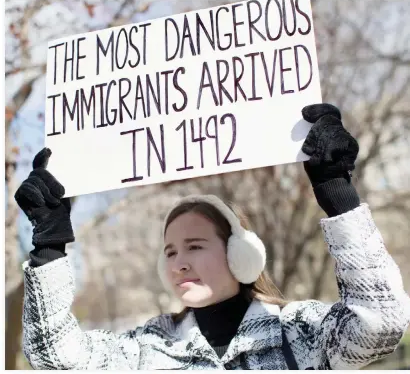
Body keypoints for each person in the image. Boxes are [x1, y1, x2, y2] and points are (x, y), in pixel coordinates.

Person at [16, 104, 410, 370]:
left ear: (240, 254)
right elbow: (54, 357)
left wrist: (338, 197)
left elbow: (381, 324)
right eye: (170, 251)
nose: (179, 262)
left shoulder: (297, 331)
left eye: (195, 246)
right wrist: (49, 247)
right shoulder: (144, 348)